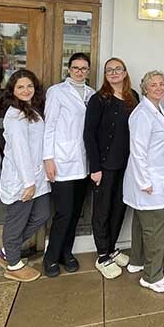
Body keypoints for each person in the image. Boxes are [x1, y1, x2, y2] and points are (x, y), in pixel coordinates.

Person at [0, 69, 51, 282]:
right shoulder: (14, 115)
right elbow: (20, 151)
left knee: (41, 215)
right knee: (16, 221)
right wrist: (28, 182)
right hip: (22, 179)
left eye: (29, 86)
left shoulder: (31, 110)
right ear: (12, 90)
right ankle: (13, 263)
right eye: (20, 87)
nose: (25, 90)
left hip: (38, 177)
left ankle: (8, 250)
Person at [84, 57, 139, 279]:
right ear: (105, 75)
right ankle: (102, 255)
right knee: (102, 211)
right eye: (109, 70)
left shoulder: (133, 97)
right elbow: (89, 134)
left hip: (127, 165)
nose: (114, 73)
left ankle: (112, 248)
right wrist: (95, 167)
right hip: (105, 166)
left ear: (125, 72)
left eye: (118, 69)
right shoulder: (99, 100)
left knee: (119, 209)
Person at [42, 53, 96, 277]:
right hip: (62, 160)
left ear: (88, 70)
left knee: (75, 212)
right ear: (69, 69)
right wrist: (48, 158)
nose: (80, 72)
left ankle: (67, 253)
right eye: (76, 68)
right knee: (63, 212)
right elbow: (50, 125)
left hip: (83, 162)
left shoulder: (91, 94)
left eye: (84, 68)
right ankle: (51, 257)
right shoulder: (57, 92)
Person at [125, 70, 164, 293]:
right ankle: (152, 276)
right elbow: (138, 150)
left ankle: (136, 261)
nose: (159, 87)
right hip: (148, 181)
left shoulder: (156, 109)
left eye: (162, 83)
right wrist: (144, 181)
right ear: (144, 88)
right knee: (154, 227)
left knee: (140, 224)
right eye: (153, 84)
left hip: (152, 178)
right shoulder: (143, 113)